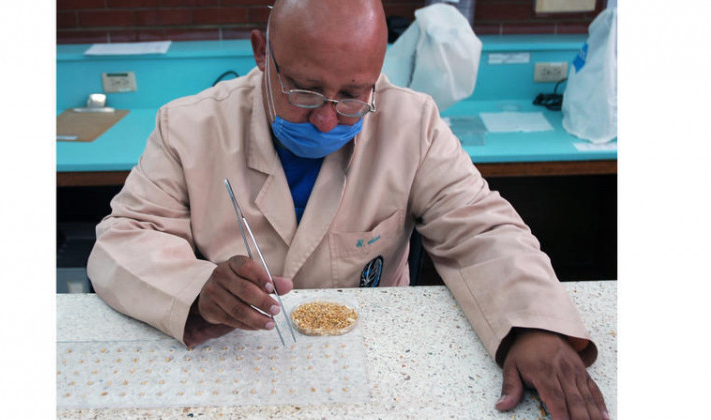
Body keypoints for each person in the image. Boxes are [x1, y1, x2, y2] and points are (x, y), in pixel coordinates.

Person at [87, 0, 609, 418]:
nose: (326, 120)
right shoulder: (188, 127)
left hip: (379, 367)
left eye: (353, 95)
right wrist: (195, 289)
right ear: (261, 52)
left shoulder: (413, 123)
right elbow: (126, 236)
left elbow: (481, 229)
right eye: (305, 91)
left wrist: (530, 326)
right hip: (238, 364)